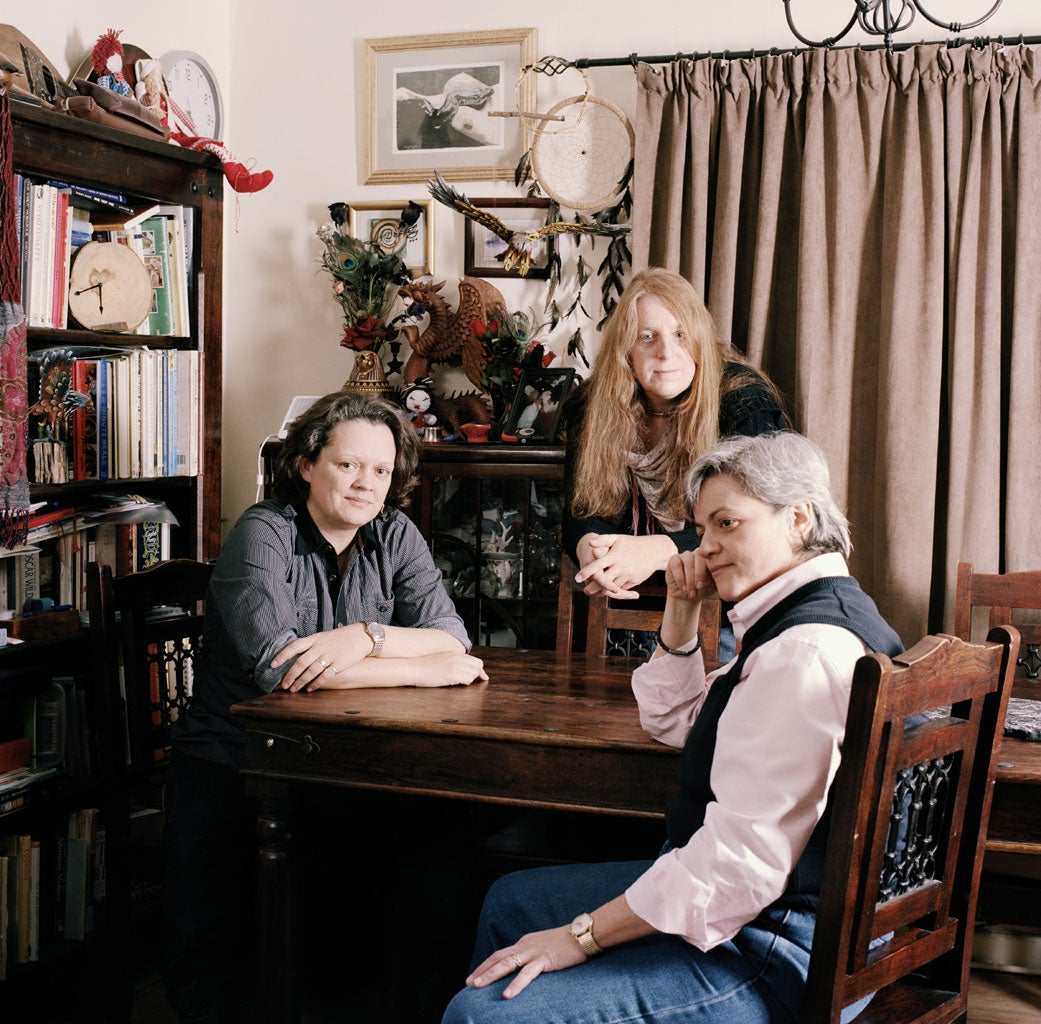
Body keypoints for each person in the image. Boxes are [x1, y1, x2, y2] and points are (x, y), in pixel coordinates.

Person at [442, 430, 903, 1024]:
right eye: (702, 528)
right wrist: (683, 605)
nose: (704, 547)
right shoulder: (813, 613)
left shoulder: (802, 652)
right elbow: (674, 721)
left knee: (481, 1014)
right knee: (511, 901)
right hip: (777, 914)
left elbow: (737, 871)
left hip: (776, 952)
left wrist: (580, 937)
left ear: (798, 518)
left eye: (727, 523)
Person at [164, 390, 486, 1022]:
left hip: (337, 760)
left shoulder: (394, 533)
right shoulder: (263, 532)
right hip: (235, 762)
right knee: (226, 986)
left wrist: (366, 636)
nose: (367, 483)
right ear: (307, 465)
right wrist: (419, 670)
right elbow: (283, 669)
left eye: (382, 470)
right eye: (348, 465)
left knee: (438, 846)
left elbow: (452, 635)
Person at [562, 267, 787, 602]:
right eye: (647, 337)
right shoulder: (591, 404)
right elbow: (579, 510)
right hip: (632, 597)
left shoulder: (744, 401)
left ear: (699, 340)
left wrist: (655, 551)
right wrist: (591, 548)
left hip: (734, 601)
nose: (666, 352)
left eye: (680, 334)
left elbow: (754, 522)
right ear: (626, 351)